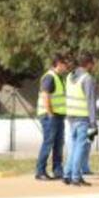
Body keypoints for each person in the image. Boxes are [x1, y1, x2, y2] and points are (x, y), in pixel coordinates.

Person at [63, 52, 97, 187]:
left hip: (71, 116)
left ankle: (67, 174)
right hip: (83, 117)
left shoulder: (70, 76)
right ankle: (76, 177)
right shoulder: (87, 78)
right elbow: (90, 101)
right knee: (81, 147)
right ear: (88, 64)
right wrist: (94, 122)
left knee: (75, 146)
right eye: (93, 63)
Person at [35, 53, 70, 181]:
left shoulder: (59, 78)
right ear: (59, 64)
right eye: (65, 63)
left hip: (58, 115)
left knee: (58, 143)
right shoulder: (49, 77)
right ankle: (40, 171)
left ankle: (57, 170)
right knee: (48, 142)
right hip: (50, 115)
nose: (67, 66)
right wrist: (50, 114)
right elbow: (45, 96)